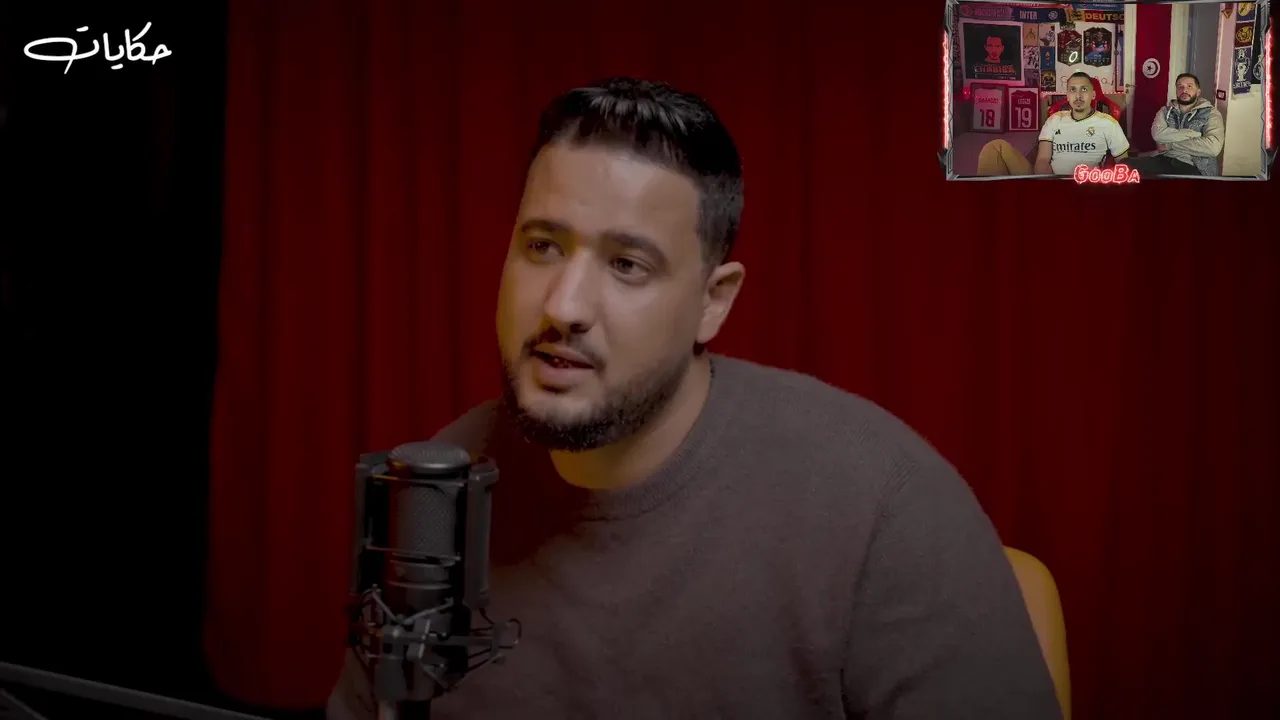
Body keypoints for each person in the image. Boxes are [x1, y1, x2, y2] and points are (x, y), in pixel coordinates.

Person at [328, 76, 1063, 719]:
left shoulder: (881, 506)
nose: (563, 305)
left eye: (627, 264)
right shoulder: (439, 490)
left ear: (714, 302)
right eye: (543, 246)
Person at [976, 71, 1129, 176]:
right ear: (1067, 96)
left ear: (1093, 94)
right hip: (1048, 180)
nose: (1078, 95)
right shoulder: (1054, 120)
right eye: (1073, 90)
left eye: (1084, 89)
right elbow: (1043, 159)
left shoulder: (1108, 124)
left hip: (1086, 186)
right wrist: (1046, 182)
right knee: (995, 147)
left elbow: (1124, 165)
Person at [1120, 73, 1224, 177]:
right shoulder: (1165, 111)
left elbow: (1213, 148)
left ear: (1198, 92)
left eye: (1189, 86)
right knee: (1124, 165)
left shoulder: (1211, 113)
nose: (1184, 90)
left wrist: (1169, 145)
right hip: (1166, 158)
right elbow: (1157, 135)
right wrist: (1192, 134)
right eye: (1180, 86)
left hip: (1196, 165)